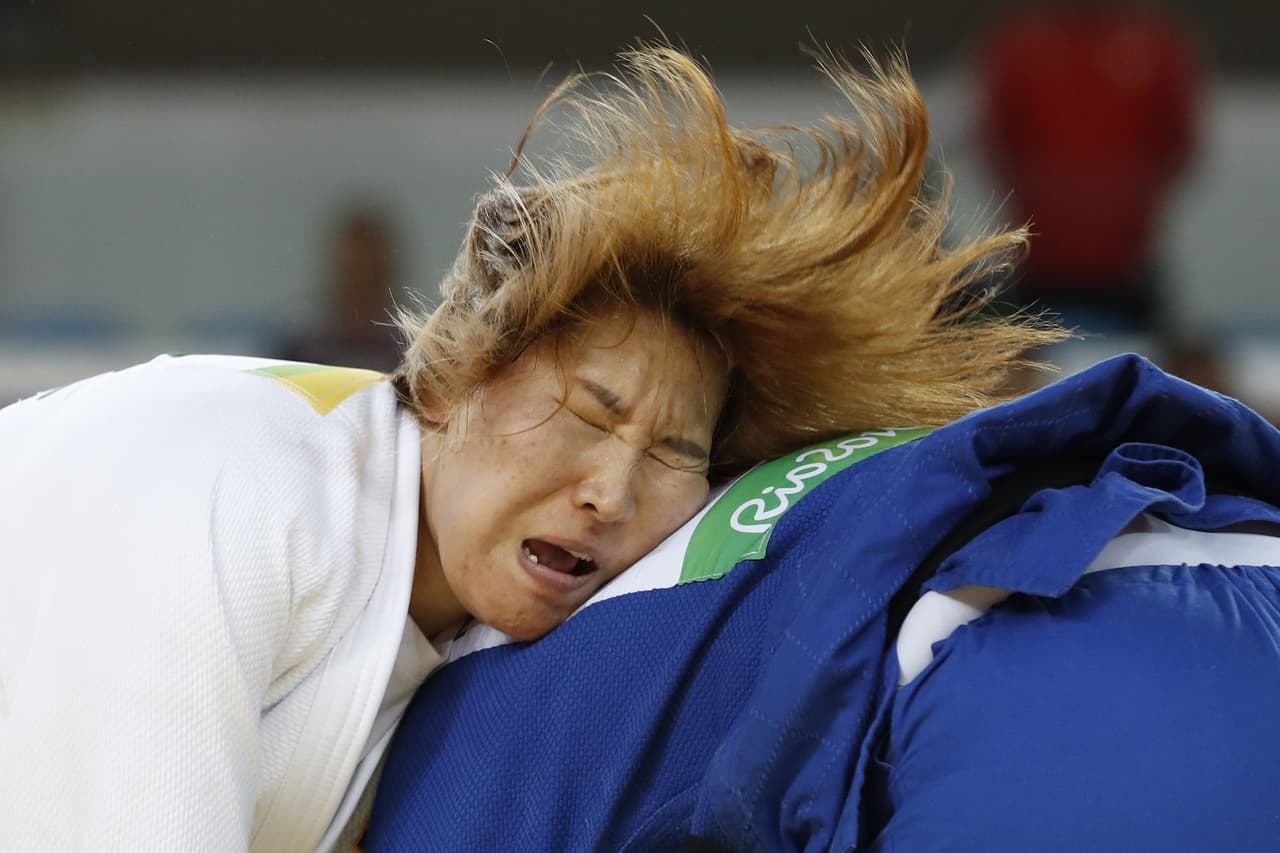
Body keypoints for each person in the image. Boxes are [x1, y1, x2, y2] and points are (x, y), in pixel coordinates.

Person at [0, 46, 1060, 849]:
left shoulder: (493, 636)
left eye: (670, 453)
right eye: (588, 414)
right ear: (458, 373)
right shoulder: (231, 487)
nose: (610, 490)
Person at [978, 2, 1201, 336]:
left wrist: (1127, 202)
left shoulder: (1155, 46)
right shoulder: (1020, 46)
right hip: (1037, 264)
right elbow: (997, 139)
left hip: (1129, 265)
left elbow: (1178, 142)